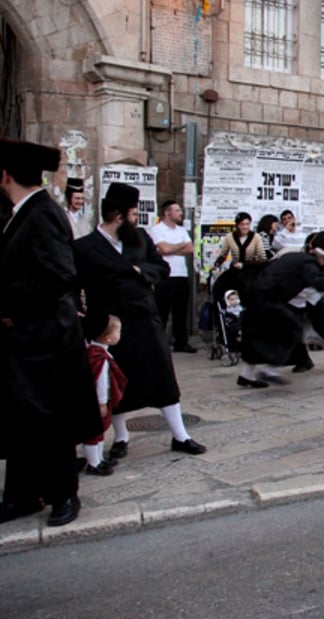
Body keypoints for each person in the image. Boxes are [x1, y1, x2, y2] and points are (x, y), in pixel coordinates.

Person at [0, 140, 101, 528]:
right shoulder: (23, 212)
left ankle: (64, 495)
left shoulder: (42, 212)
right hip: (28, 339)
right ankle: (22, 495)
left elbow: (58, 274)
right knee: (23, 420)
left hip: (46, 340)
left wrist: (8, 300)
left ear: (6, 174)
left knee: (51, 420)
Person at [72, 182, 207, 459]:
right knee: (115, 383)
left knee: (163, 378)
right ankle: (121, 437)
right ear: (119, 216)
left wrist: (138, 270)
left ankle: (180, 435)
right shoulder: (85, 248)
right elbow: (76, 286)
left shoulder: (140, 239)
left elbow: (161, 267)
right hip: (111, 326)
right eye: (133, 214)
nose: (137, 220)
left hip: (145, 320)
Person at [240, 231, 324, 388]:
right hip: (268, 300)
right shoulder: (309, 263)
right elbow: (317, 280)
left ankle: (246, 375)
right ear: (323, 258)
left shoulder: (294, 256)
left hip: (255, 297)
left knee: (259, 336)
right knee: (291, 328)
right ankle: (268, 368)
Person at [148, 200, 197, 354]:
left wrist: (171, 249)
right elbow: (162, 248)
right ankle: (159, 342)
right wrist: (178, 246)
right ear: (167, 213)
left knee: (181, 311)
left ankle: (181, 342)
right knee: (162, 311)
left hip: (182, 274)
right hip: (165, 275)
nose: (180, 213)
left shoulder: (181, 230)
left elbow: (190, 248)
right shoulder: (157, 230)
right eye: (177, 210)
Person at [82, 311, 124, 476]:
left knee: (99, 431)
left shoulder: (93, 352)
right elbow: (100, 382)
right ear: (107, 337)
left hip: (98, 401)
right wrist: (101, 402)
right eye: (118, 332)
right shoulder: (99, 357)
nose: (120, 335)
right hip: (98, 402)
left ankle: (98, 459)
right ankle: (94, 463)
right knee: (95, 432)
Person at [213, 211, 268, 298]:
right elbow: (223, 255)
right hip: (235, 271)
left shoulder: (256, 237)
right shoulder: (229, 237)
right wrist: (216, 265)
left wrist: (244, 265)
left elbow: (262, 259)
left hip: (251, 271)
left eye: (247, 224)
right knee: (221, 286)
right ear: (237, 225)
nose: (245, 227)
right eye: (242, 224)